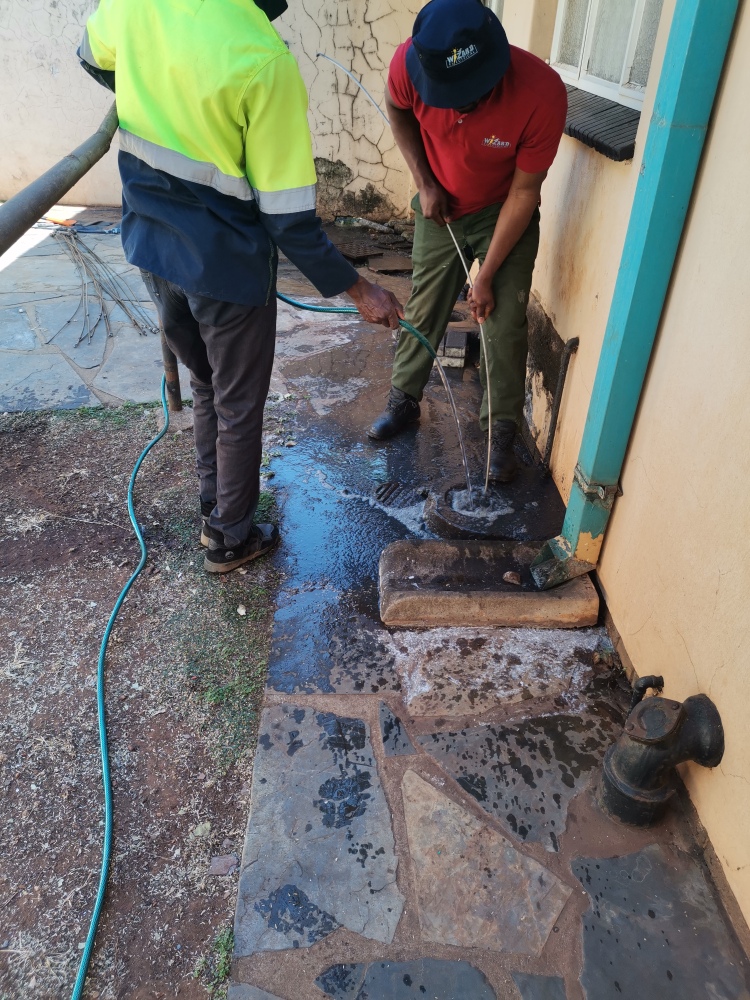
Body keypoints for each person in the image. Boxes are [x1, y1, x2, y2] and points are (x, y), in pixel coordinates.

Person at [78, 0, 403, 572]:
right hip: (224, 264)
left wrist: (151, 95)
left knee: (206, 383)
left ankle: (215, 504)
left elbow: (91, 57)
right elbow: (289, 220)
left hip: (152, 242)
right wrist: (360, 291)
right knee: (237, 403)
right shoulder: (263, 60)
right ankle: (230, 537)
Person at [367, 0, 567, 483]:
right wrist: (424, 182)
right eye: (446, 94)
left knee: (503, 320)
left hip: (505, 209)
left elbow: (524, 192)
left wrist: (487, 275)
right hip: (442, 205)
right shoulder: (408, 64)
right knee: (426, 302)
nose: (457, 106)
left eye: (468, 96)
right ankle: (403, 401)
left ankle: (500, 434)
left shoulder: (541, 94)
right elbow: (397, 110)